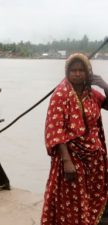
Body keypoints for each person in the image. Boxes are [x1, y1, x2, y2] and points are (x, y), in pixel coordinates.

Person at [41, 53, 108, 225]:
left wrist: (104, 85)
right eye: (73, 70)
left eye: (81, 70)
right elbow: (55, 130)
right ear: (67, 72)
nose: (77, 74)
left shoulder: (92, 94)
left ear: (88, 73)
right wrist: (66, 160)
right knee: (71, 201)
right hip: (71, 158)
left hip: (94, 159)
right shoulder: (60, 95)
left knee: (91, 199)